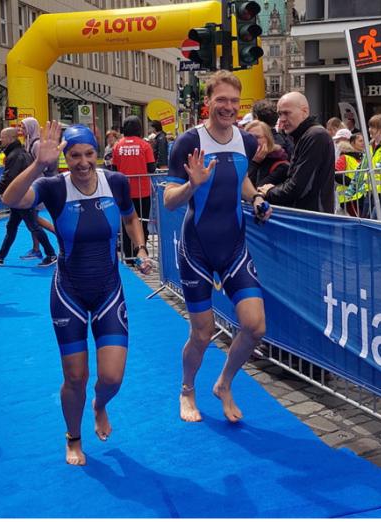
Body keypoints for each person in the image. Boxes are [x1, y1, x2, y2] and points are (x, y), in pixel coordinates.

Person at [2, 123, 152, 466]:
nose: (83, 162)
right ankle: (73, 437)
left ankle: (100, 405)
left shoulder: (115, 182)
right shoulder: (54, 187)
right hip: (68, 291)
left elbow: (131, 218)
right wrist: (38, 164)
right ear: (65, 158)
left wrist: (141, 248)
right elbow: (11, 199)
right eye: (74, 155)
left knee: (111, 378)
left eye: (88, 154)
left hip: (108, 291)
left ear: (97, 153)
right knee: (75, 377)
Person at [164, 70, 272, 424]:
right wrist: (192, 185)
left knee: (255, 326)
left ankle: (224, 383)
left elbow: (241, 178)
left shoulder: (247, 141)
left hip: (234, 248)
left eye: (234, 101)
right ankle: (187, 389)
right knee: (202, 332)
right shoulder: (188, 142)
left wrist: (255, 197)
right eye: (221, 100)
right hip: (196, 249)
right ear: (207, 102)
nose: (228, 107)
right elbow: (168, 200)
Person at [0, 127, 57, 267]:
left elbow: (9, 177)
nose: (0, 140)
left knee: (33, 226)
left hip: (21, 197)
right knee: (13, 226)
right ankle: (1, 256)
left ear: (10, 138)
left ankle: (51, 254)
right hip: (21, 196)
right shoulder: (21, 153)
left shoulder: (15, 155)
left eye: (2, 137)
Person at [258, 91, 335, 213]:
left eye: (287, 113)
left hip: (312, 218)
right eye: (280, 114)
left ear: (304, 112)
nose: (282, 119)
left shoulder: (315, 136)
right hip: (308, 215)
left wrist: (269, 191)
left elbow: (298, 187)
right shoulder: (304, 135)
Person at [344, 114, 381, 220]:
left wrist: (379, 166)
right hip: (370, 192)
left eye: (373, 127)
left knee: (376, 220)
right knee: (367, 220)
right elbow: (361, 169)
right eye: (369, 127)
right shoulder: (369, 146)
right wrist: (351, 189)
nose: (369, 130)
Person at [112, 116, 155, 260]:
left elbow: (114, 169)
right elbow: (151, 168)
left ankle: (128, 254)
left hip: (123, 191)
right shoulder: (145, 145)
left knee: (125, 223)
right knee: (142, 222)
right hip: (143, 191)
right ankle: (141, 253)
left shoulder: (117, 146)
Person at [19, 116, 57, 259]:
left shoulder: (35, 144)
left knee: (32, 217)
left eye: (23, 127)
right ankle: (36, 248)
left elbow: (45, 164)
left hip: (37, 183)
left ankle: (56, 235)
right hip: (33, 182)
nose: (21, 130)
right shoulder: (29, 143)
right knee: (33, 218)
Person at [244, 120, 289, 188]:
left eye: (257, 137)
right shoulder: (244, 158)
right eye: (249, 137)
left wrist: (255, 163)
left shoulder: (281, 166)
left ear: (268, 139)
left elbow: (254, 190)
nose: (252, 140)